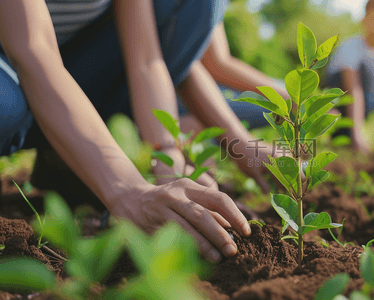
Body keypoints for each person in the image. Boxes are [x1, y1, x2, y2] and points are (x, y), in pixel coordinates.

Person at [0, 0, 284, 263]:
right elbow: (33, 49)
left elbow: (147, 59)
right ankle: (76, 150)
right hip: (16, 72)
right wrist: (127, 189)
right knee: (5, 107)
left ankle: (67, 157)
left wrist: (168, 159)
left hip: (77, 69)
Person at [323, 0, 374, 154]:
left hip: (366, 104)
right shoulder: (350, 47)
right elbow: (354, 91)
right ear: (364, 21)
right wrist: (357, 135)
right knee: (364, 71)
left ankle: (348, 136)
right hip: (338, 104)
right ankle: (343, 132)